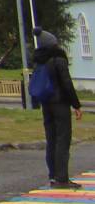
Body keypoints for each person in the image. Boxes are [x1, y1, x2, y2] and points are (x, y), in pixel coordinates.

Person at [32, 29, 84, 188]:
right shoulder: (58, 59)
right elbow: (66, 83)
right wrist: (76, 105)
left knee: (51, 139)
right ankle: (62, 178)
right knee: (63, 139)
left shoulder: (39, 60)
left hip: (46, 103)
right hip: (60, 103)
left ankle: (53, 176)